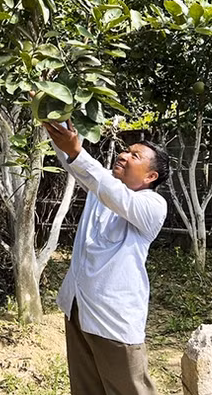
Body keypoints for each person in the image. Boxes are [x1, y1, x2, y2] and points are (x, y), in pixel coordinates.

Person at [42, 119, 169, 395]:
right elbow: (74, 161)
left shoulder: (153, 205)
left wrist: (76, 151)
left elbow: (105, 186)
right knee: (86, 389)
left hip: (114, 321)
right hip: (78, 308)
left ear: (151, 177)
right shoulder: (101, 187)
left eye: (135, 155)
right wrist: (53, 115)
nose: (123, 155)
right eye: (126, 150)